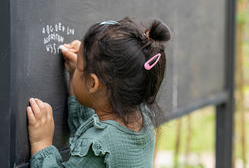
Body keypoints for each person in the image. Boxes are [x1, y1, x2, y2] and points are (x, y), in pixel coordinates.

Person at [26, 17, 171, 167]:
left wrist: (41, 143)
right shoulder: (143, 121)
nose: (76, 67)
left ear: (92, 83)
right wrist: (77, 74)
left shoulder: (98, 147)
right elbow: (89, 129)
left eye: (80, 65)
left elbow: (94, 143)